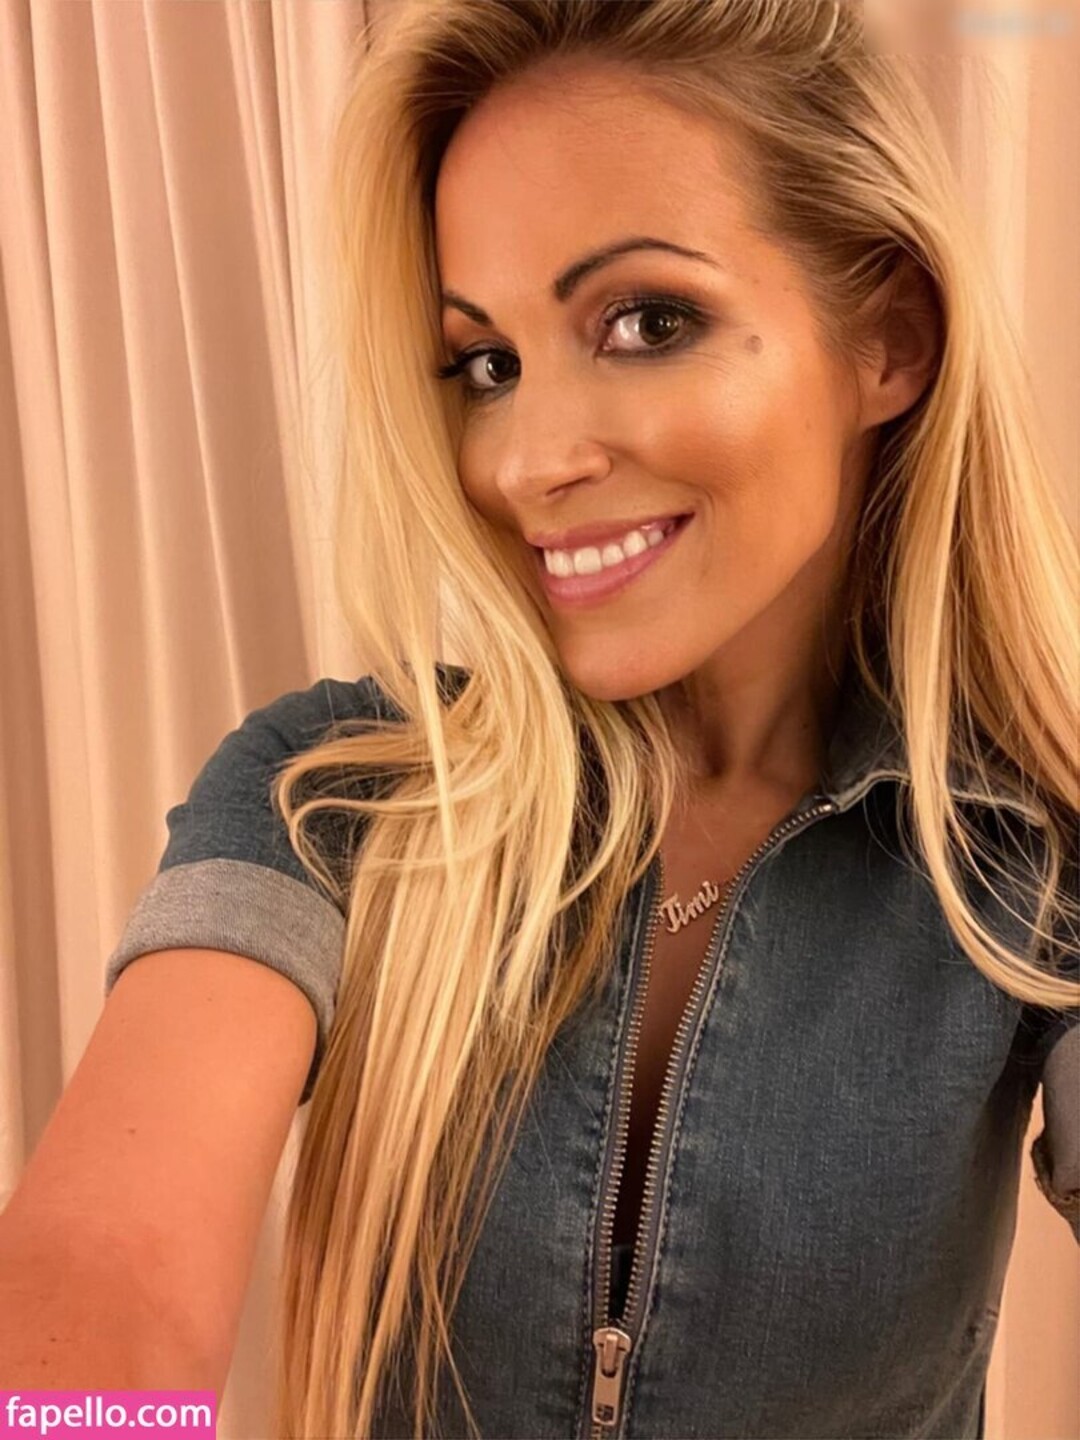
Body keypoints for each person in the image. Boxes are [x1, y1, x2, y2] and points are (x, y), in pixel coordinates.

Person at [0, 1, 1076, 1437]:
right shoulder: (338, 798)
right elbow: (103, 1287)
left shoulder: (1028, 858)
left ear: (887, 337)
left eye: (647, 322)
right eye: (488, 364)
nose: (525, 461)